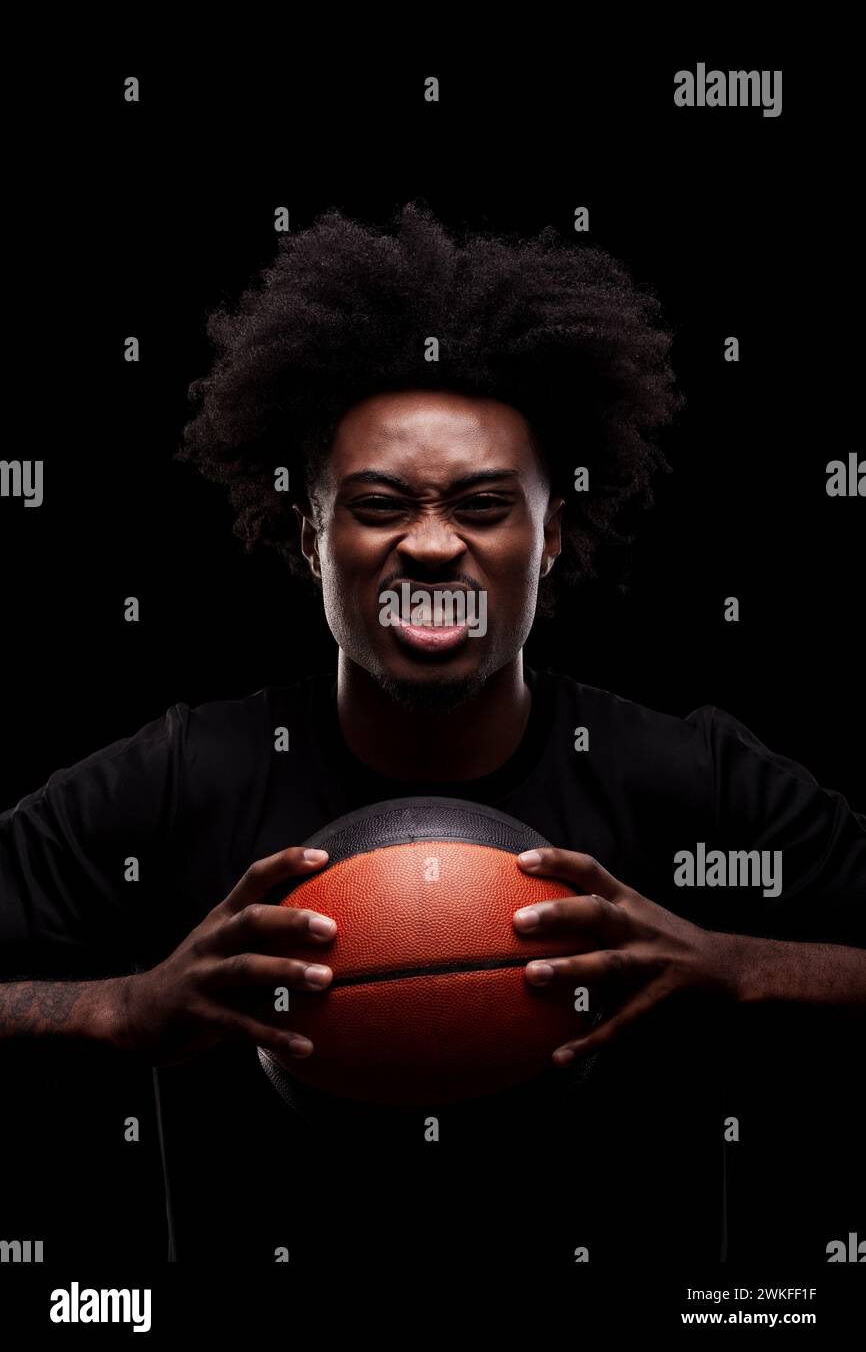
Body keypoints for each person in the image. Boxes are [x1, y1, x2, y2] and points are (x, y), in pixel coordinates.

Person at [2, 205, 864, 1268]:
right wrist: (115, 1008)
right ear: (304, 536)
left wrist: (738, 968)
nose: (428, 543)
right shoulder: (179, 780)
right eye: (375, 504)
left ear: (553, 540)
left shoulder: (691, 779)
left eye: (484, 504)